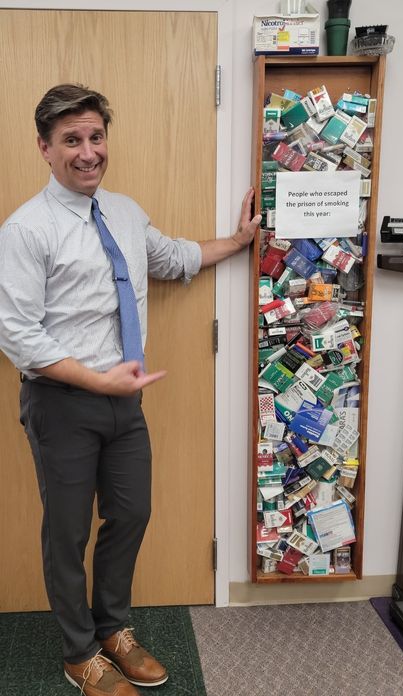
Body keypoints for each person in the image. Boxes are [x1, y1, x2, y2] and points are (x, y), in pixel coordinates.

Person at [0, 84, 261, 696]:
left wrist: (240, 240)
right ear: (44, 148)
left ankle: (113, 627)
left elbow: (173, 258)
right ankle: (79, 653)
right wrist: (97, 379)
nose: (88, 152)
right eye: (71, 140)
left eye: (95, 137)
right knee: (66, 531)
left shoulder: (124, 211)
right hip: (62, 402)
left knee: (132, 514)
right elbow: (17, 334)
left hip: (126, 402)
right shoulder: (25, 229)